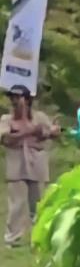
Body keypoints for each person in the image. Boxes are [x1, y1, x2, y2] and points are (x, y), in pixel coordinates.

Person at [0, 88, 59, 249]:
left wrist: (48, 131)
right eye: (12, 97)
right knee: (16, 203)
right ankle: (12, 238)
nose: (14, 101)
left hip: (36, 161)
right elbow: (5, 138)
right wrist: (29, 132)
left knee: (39, 203)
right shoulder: (7, 119)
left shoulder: (39, 117)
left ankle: (39, 238)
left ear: (27, 100)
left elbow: (52, 132)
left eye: (17, 97)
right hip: (16, 162)